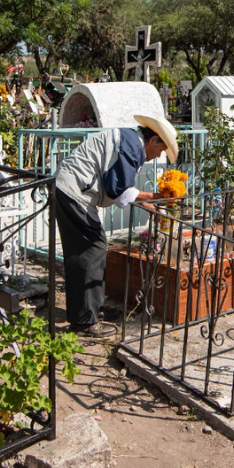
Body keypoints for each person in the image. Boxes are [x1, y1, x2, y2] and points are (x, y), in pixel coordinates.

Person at [54, 115, 180, 337]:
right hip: (75, 191)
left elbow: (119, 188)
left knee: (87, 250)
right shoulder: (132, 145)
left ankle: (90, 310)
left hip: (72, 189)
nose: (158, 156)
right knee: (92, 249)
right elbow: (117, 190)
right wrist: (158, 196)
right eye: (161, 150)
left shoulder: (130, 141)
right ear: (153, 141)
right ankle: (84, 321)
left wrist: (148, 201)